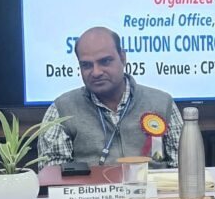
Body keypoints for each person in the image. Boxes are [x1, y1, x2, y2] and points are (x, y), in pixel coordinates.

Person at [38, 27, 183, 168]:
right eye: (86, 65)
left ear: (123, 58)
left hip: (154, 185)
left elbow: (184, 167)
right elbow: (53, 177)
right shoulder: (62, 110)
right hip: (91, 185)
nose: (96, 72)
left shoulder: (162, 103)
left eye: (105, 61)